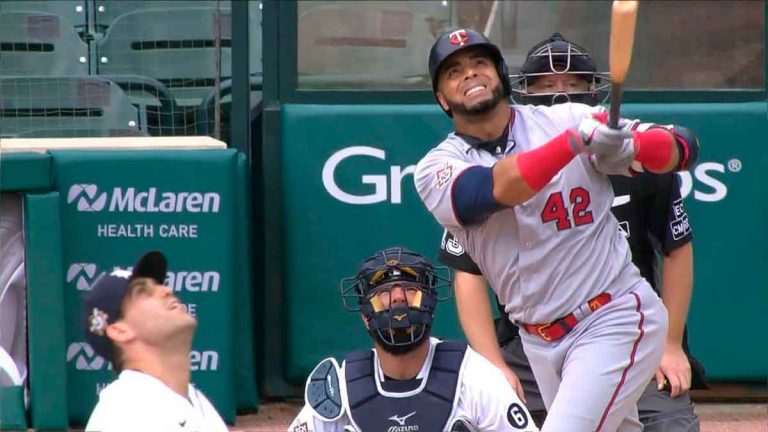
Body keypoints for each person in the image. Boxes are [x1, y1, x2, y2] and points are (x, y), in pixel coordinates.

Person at [414, 28, 699, 432]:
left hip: (612, 317)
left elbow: (682, 147)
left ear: (500, 74)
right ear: (442, 98)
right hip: (537, 341)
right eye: (454, 71)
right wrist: (571, 144)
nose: (470, 74)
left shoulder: (567, 119)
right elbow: (495, 188)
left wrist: (635, 144)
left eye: (480, 63)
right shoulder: (435, 168)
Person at [287, 247, 540, 432]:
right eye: (385, 291)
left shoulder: (474, 377)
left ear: (430, 305)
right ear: (365, 316)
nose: (398, 298)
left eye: (409, 289)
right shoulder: (339, 387)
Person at [82, 251, 228, 432]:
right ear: (120, 331)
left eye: (159, 285)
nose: (167, 290)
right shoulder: (125, 415)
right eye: (143, 292)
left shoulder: (194, 401)